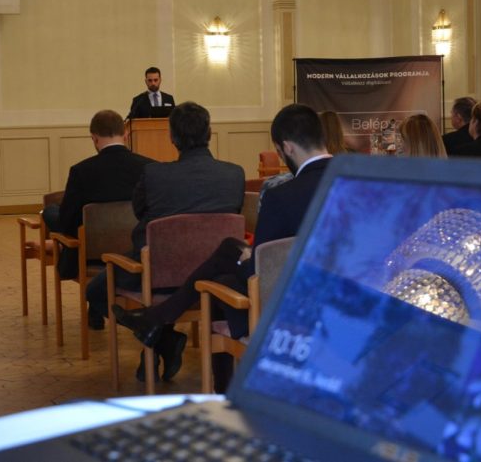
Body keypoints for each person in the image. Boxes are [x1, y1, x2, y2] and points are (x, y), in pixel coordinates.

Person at [111, 104, 332, 387]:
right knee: (228, 254)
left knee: (219, 281)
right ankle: (157, 321)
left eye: (278, 151)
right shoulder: (363, 185)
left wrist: (248, 258)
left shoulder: (282, 197)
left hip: (286, 307)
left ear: (287, 147)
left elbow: (257, 274)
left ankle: (170, 332)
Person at [86, 101, 244, 379]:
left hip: (156, 272)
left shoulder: (155, 174)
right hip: (215, 277)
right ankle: (165, 339)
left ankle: (164, 339)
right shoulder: (234, 174)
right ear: (209, 133)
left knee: (96, 291)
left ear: (172, 136)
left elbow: (140, 212)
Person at [44, 110, 154, 280]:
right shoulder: (149, 167)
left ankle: (57, 244)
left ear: (94, 138)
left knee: (50, 212)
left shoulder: (81, 171)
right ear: (126, 134)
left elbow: (67, 223)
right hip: (137, 247)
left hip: (90, 252)